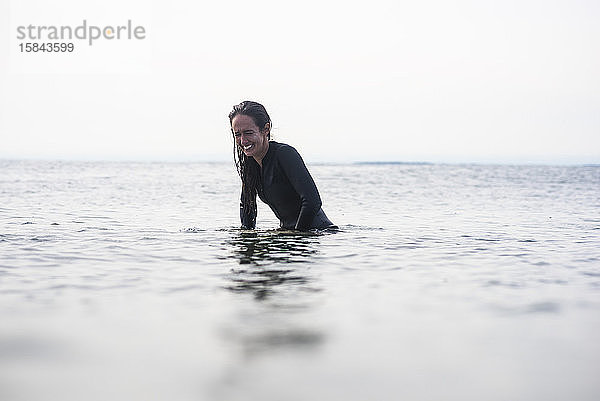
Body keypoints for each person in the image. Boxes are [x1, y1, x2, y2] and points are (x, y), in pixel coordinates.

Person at [229, 100, 336, 231]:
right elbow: (247, 206)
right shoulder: (250, 163)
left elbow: (312, 202)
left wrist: (297, 235)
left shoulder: (284, 154)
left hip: (317, 233)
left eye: (249, 133)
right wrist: (246, 237)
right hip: (289, 235)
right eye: (238, 134)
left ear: (266, 129)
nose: (243, 140)